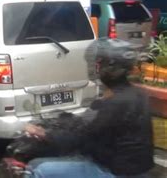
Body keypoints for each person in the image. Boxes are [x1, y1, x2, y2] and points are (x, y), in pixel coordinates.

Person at [24, 39, 154, 178]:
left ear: (109, 68)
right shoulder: (137, 94)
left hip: (115, 171)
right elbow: (94, 126)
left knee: (38, 169)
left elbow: (80, 137)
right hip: (136, 170)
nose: (95, 67)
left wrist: (44, 134)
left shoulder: (114, 102)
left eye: (99, 63)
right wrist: (65, 119)